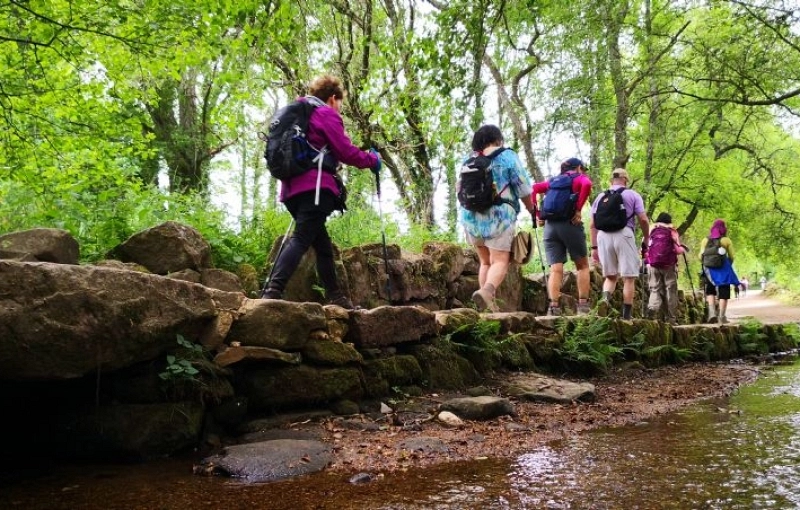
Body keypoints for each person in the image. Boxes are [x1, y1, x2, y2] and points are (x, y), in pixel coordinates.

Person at [261, 75, 381, 309]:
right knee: (301, 239)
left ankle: (336, 296)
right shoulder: (325, 113)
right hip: (315, 189)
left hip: (290, 192)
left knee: (323, 245)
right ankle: (272, 290)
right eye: (340, 103)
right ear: (333, 98)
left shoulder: (298, 114)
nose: (340, 108)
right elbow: (345, 151)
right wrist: (372, 160)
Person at [460, 124, 536, 312]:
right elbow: (523, 187)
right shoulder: (507, 156)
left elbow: (459, 190)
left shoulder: (468, 160)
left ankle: (487, 308)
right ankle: (487, 291)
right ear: (498, 139)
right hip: (499, 216)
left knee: (485, 262)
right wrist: (532, 209)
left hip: (471, 218)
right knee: (500, 261)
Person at [531, 158, 593, 315]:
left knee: (556, 270)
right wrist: (578, 209)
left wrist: (538, 214)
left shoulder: (553, 181)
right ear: (578, 167)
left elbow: (533, 188)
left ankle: (554, 307)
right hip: (570, 224)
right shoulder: (579, 178)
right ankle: (583, 306)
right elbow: (587, 185)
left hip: (550, 228)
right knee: (582, 266)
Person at [589, 168, 650, 320]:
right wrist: (647, 237)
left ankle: (604, 302)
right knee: (629, 277)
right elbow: (643, 219)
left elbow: (592, 224)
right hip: (624, 234)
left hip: (603, 236)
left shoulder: (600, 197)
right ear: (625, 180)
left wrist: (594, 247)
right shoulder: (632, 195)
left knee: (610, 277)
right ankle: (626, 316)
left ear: (611, 180)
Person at [645, 212, 685, 324]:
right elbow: (677, 250)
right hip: (669, 265)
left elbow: (644, 247)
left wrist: (647, 260)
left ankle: (652, 309)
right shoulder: (672, 231)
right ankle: (671, 319)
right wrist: (683, 249)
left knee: (655, 288)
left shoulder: (651, 229)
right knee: (671, 290)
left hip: (653, 264)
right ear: (669, 221)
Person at [699, 219, 739, 323]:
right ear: (723, 228)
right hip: (723, 269)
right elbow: (732, 256)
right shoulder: (726, 240)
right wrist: (727, 265)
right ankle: (722, 317)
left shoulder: (705, 240)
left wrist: (708, 264)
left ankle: (712, 314)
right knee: (724, 292)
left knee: (710, 291)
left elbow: (700, 256)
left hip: (709, 270)